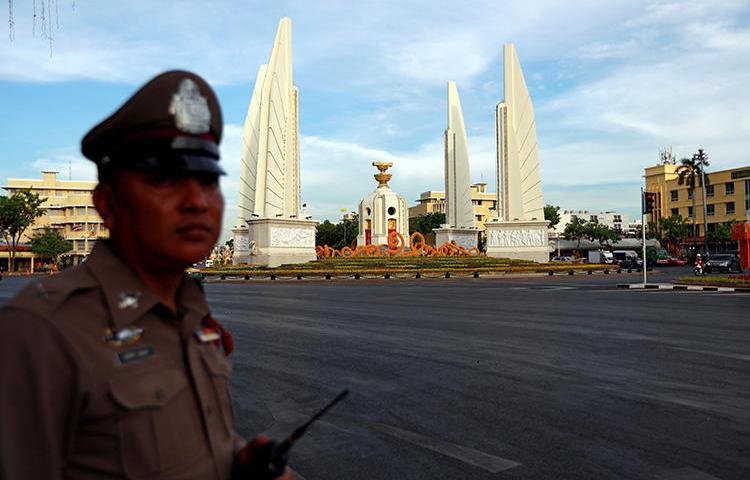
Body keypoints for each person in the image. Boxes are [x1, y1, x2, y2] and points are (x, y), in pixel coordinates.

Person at [0, 71, 292, 480]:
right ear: (107, 203)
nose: (196, 201)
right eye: (164, 179)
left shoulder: (189, 310)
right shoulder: (41, 333)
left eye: (208, 180)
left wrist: (237, 461)